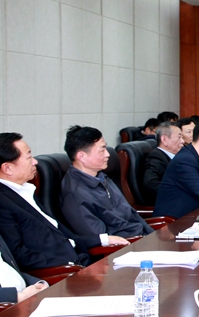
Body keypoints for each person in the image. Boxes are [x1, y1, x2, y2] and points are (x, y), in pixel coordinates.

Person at [0, 133, 128, 271]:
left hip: (81, 261)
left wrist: (104, 239)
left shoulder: (26, 191)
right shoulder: (3, 202)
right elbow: (19, 256)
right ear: (8, 168)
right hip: (63, 273)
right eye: (29, 157)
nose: (35, 162)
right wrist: (70, 266)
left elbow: (65, 238)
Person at [60, 126, 153, 239]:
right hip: (125, 244)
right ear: (82, 156)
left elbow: (131, 213)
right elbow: (99, 238)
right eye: (102, 150)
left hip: (141, 237)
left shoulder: (101, 177)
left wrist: (152, 235)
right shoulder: (75, 194)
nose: (107, 154)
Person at [0, 234, 48, 304]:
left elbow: (11, 271)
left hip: (28, 296)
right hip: (10, 305)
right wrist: (18, 296)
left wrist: (39, 283)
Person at [143, 122, 184, 202]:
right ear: (164, 139)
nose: (182, 141)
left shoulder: (176, 156)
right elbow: (150, 183)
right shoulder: (156, 157)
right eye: (179, 137)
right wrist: (179, 195)